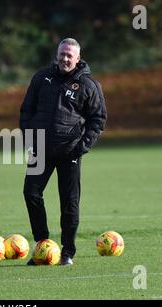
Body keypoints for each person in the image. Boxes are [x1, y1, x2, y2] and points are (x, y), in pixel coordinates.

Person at [20, 38, 107, 265]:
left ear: (78, 58)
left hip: (70, 152)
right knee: (31, 193)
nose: (65, 59)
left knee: (69, 203)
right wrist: (29, 138)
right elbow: (26, 110)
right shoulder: (41, 78)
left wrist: (82, 147)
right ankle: (43, 247)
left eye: (70, 55)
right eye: (62, 54)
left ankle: (67, 252)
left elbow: (98, 119)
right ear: (56, 54)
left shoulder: (89, 85)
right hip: (40, 149)